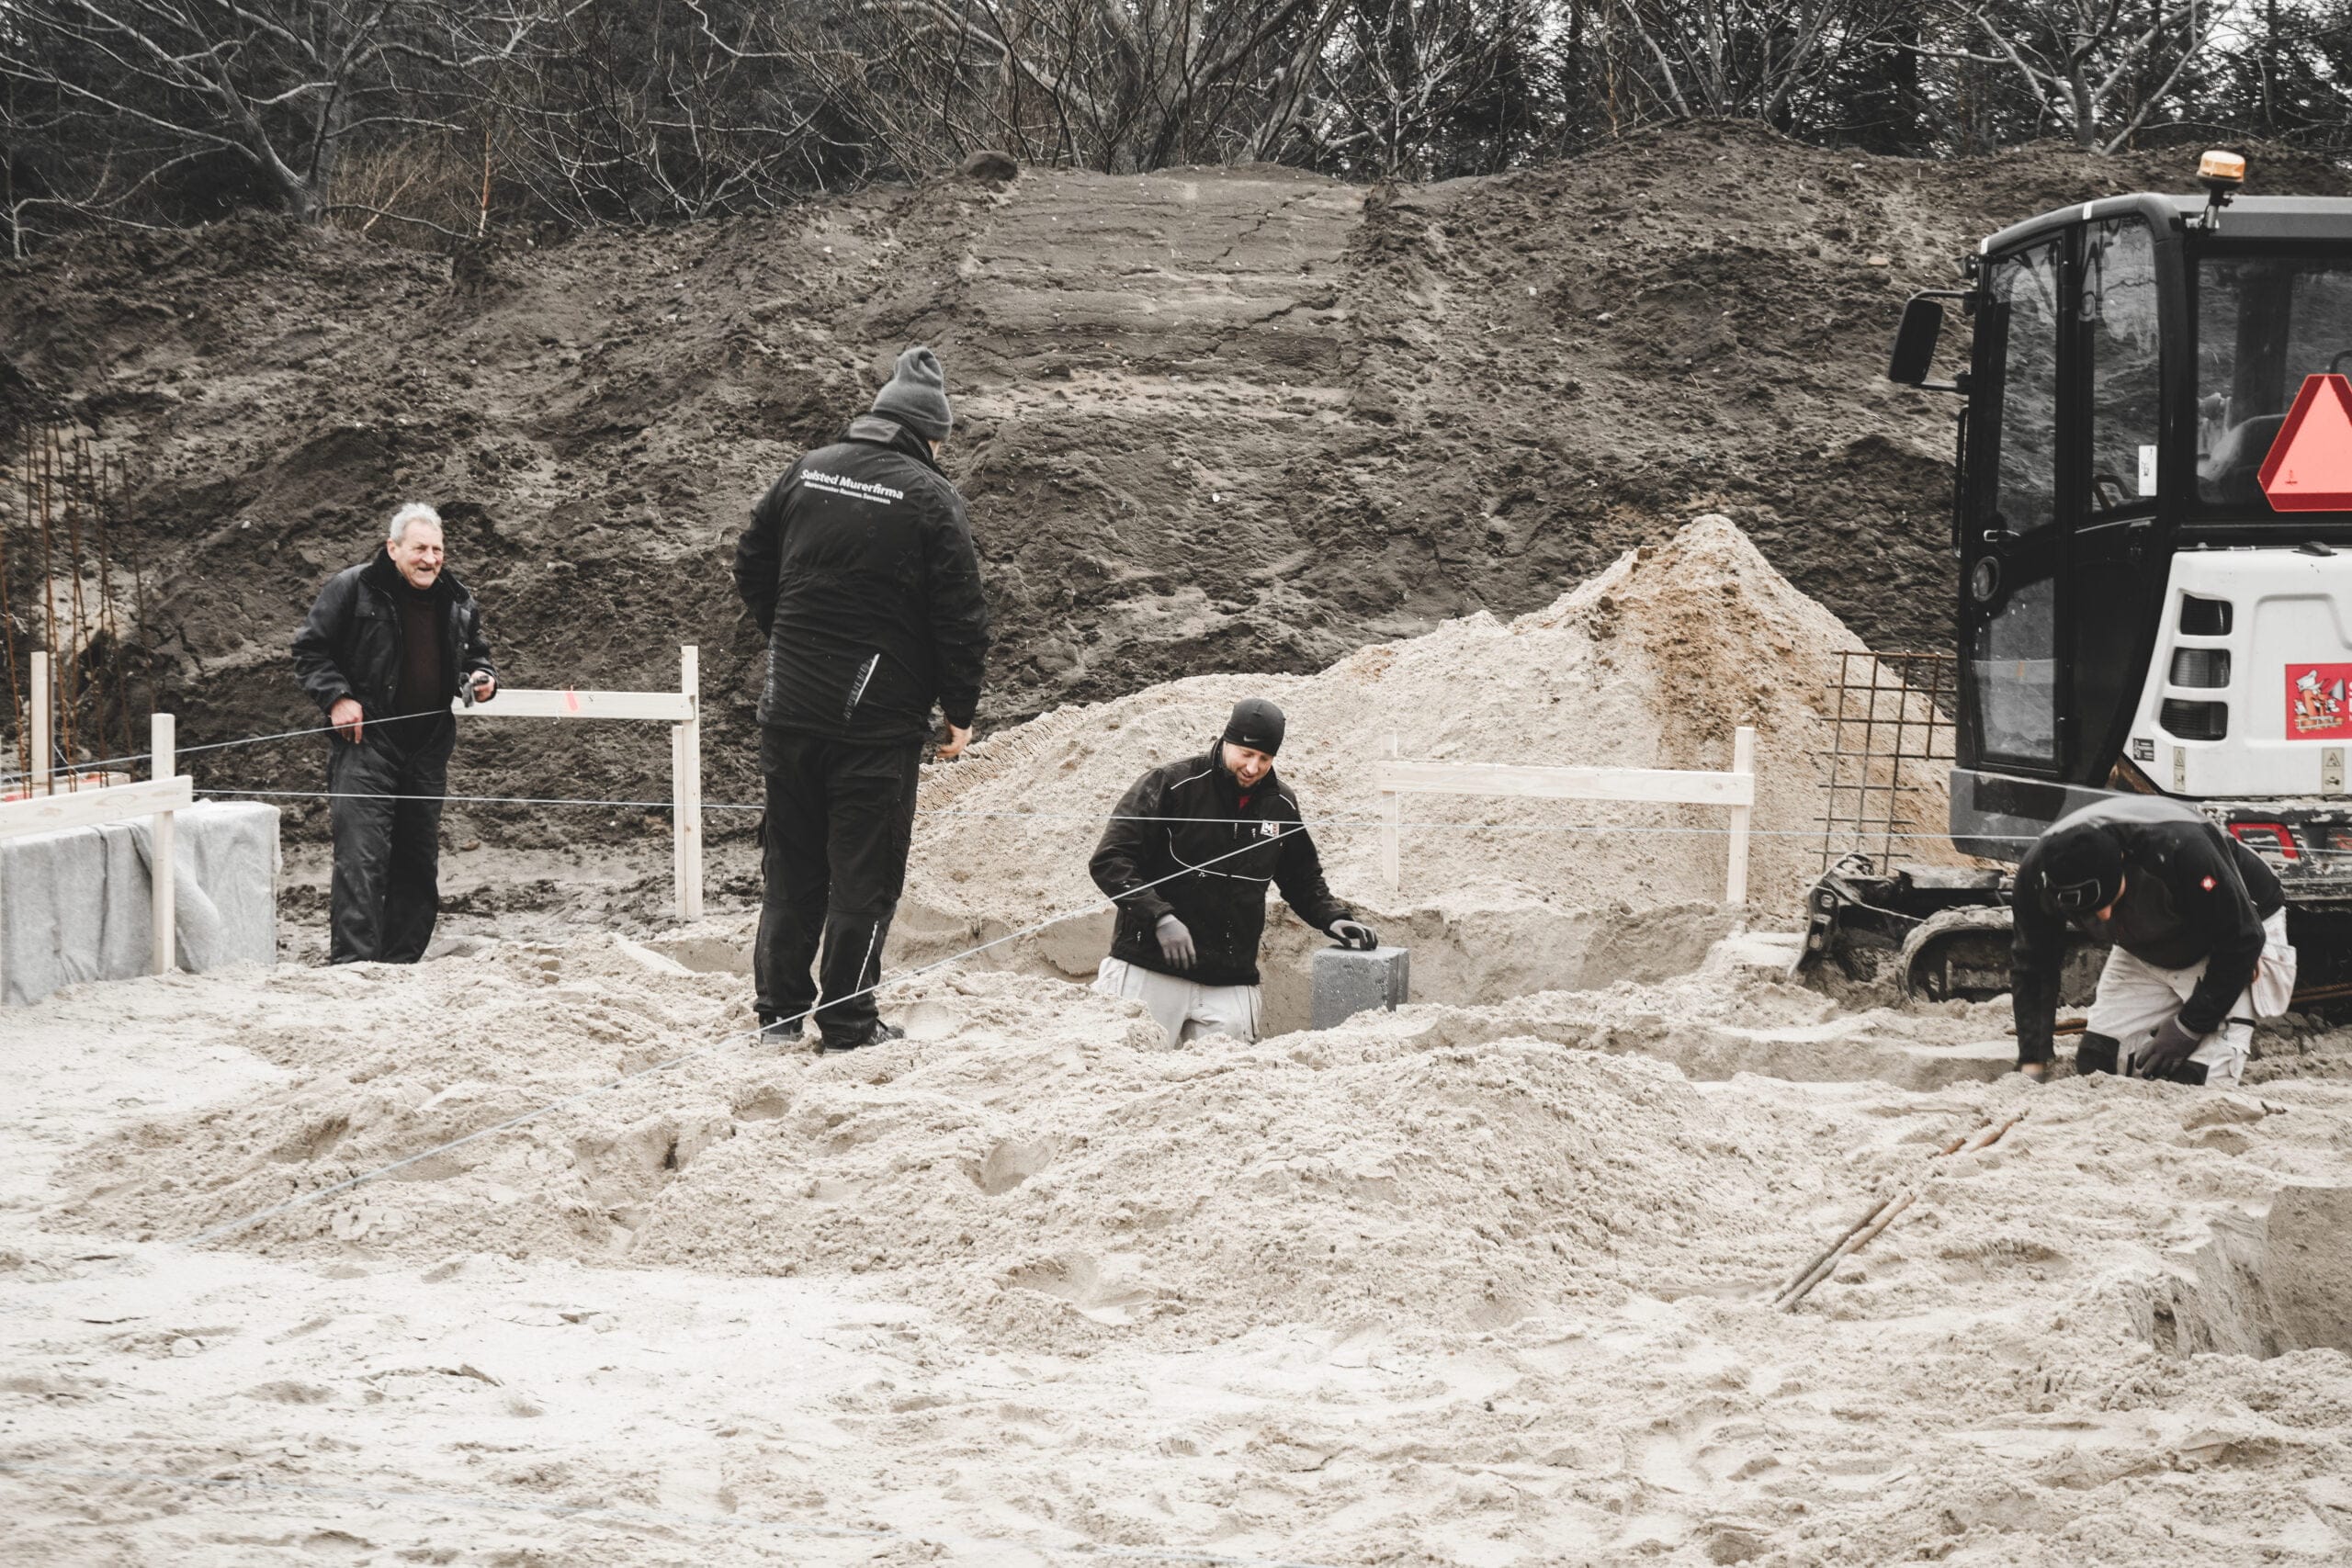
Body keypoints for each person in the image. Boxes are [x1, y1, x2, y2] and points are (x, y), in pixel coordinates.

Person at [734, 345, 989, 1053]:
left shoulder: (806, 469)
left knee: (791, 870)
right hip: (874, 727)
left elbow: (750, 564)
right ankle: (847, 1020)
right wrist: (957, 712)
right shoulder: (932, 497)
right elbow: (962, 619)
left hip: (787, 712)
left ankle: (778, 1016)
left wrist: (789, 637)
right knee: (863, 879)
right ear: (928, 433)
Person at [1089, 696, 1377, 1045]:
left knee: (1228, 1084)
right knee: (1127, 1069)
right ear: (1226, 741)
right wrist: (1159, 918)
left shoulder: (1281, 805)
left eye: (1264, 759)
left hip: (1229, 980)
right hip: (1149, 968)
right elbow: (1110, 859)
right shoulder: (1171, 785)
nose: (1253, 768)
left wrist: (1331, 917)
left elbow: (1301, 877)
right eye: (1245, 753)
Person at [290, 502, 497, 964]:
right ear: (393, 548)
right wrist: (338, 698)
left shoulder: (457, 599)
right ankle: (354, 965)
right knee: (361, 859)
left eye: (437, 549)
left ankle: (401, 963)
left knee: (417, 861)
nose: (430, 558)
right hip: (366, 746)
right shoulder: (353, 588)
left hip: (426, 749)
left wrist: (482, 679)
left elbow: (476, 656)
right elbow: (310, 650)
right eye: (419, 548)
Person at [2011, 795, 2294, 1089]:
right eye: (2089, 914)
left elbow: (2243, 938)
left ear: (2122, 861)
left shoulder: (2181, 847)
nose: (2104, 916)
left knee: (2198, 1082)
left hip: (2229, 932)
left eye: (2111, 901)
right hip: (2145, 944)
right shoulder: (2035, 877)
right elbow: (2033, 964)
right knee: (2098, 1062)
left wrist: (2188, 1026)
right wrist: (2033, 1060)